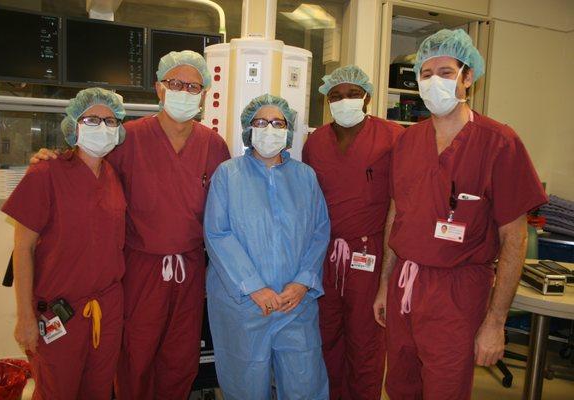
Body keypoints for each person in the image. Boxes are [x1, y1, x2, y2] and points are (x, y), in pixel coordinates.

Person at [31, 50, 230, 400]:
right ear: (159, 88)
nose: (184, 91)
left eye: (193, 85)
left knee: (180, 360)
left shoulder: (214, 146)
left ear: (204, 93)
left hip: (190, 267)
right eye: (175, 83)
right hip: (140, 268)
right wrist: (51, 158)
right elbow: (85, 164)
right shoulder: (128, 138)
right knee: (135, 358)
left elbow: (227, 207)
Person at [372, 29, 548, 400]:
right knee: (401, 386)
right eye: (426, 73)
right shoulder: (407, 142)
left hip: (457, 291)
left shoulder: (499, 142)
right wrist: (385, 284)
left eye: (447, 72)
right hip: (405, 280)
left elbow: (514, 239)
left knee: (444, 390)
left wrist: (495, 323)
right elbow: (395, 215)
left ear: (468, 78)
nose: (435, 81)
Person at [3, 88, 127, 399]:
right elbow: (23, 249)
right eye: (92, 119)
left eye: (111, 121)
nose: (102, 127)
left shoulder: (113, 175)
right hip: (60, 311)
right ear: (74, 125)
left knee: (98, 389)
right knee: (57, 391)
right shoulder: (45, 172)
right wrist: (26, 318)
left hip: (107, 308)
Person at [204, 94, 330, 400]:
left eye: (277, 122)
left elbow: (319, 233)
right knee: (245, 386)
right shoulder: (228, 175)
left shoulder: (305, 177)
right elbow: (218, 234)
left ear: (288, 131)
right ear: (249, 129)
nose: (269, 128)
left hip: (294, 305)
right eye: (261, 122)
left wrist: (302, 283)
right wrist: (254, 288)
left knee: (305, 383)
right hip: (244, 306)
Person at [302, 65, 403, 400]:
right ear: (326, 102)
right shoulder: (315, 143)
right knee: (326, 336)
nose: (344, 101)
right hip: (324, 253)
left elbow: (400, 202)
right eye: (336, 96)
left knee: (366, 343)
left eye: (352, 94)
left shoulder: (392, 137)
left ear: (368, 98)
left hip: (369, 255)